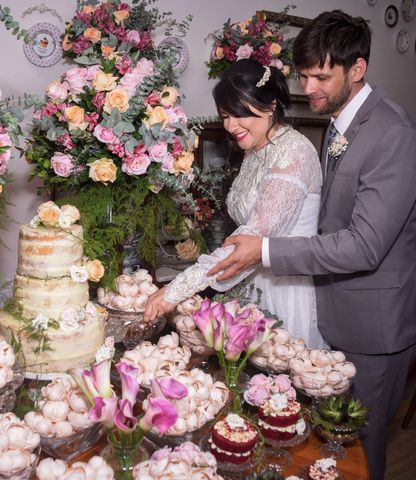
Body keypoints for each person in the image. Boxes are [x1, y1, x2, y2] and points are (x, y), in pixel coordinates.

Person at [206, 11, 416, 480]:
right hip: (331, 307)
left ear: (357, 68)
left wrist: (264, 251)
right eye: (303, 75)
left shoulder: (393, 133)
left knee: (359, 449)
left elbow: (364, 245)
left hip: (372, 326)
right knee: (323, 450)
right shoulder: (340, 126)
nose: (309, 87)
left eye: (320, 76)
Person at [144, 58, 326, 349]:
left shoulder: (293, 153)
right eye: (225, 116)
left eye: (239, 114)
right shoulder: (256, 149)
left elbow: (251, 238)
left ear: (270, 106)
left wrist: (175, 290)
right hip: (249, 283)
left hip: (284, 290)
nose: (230, 125)